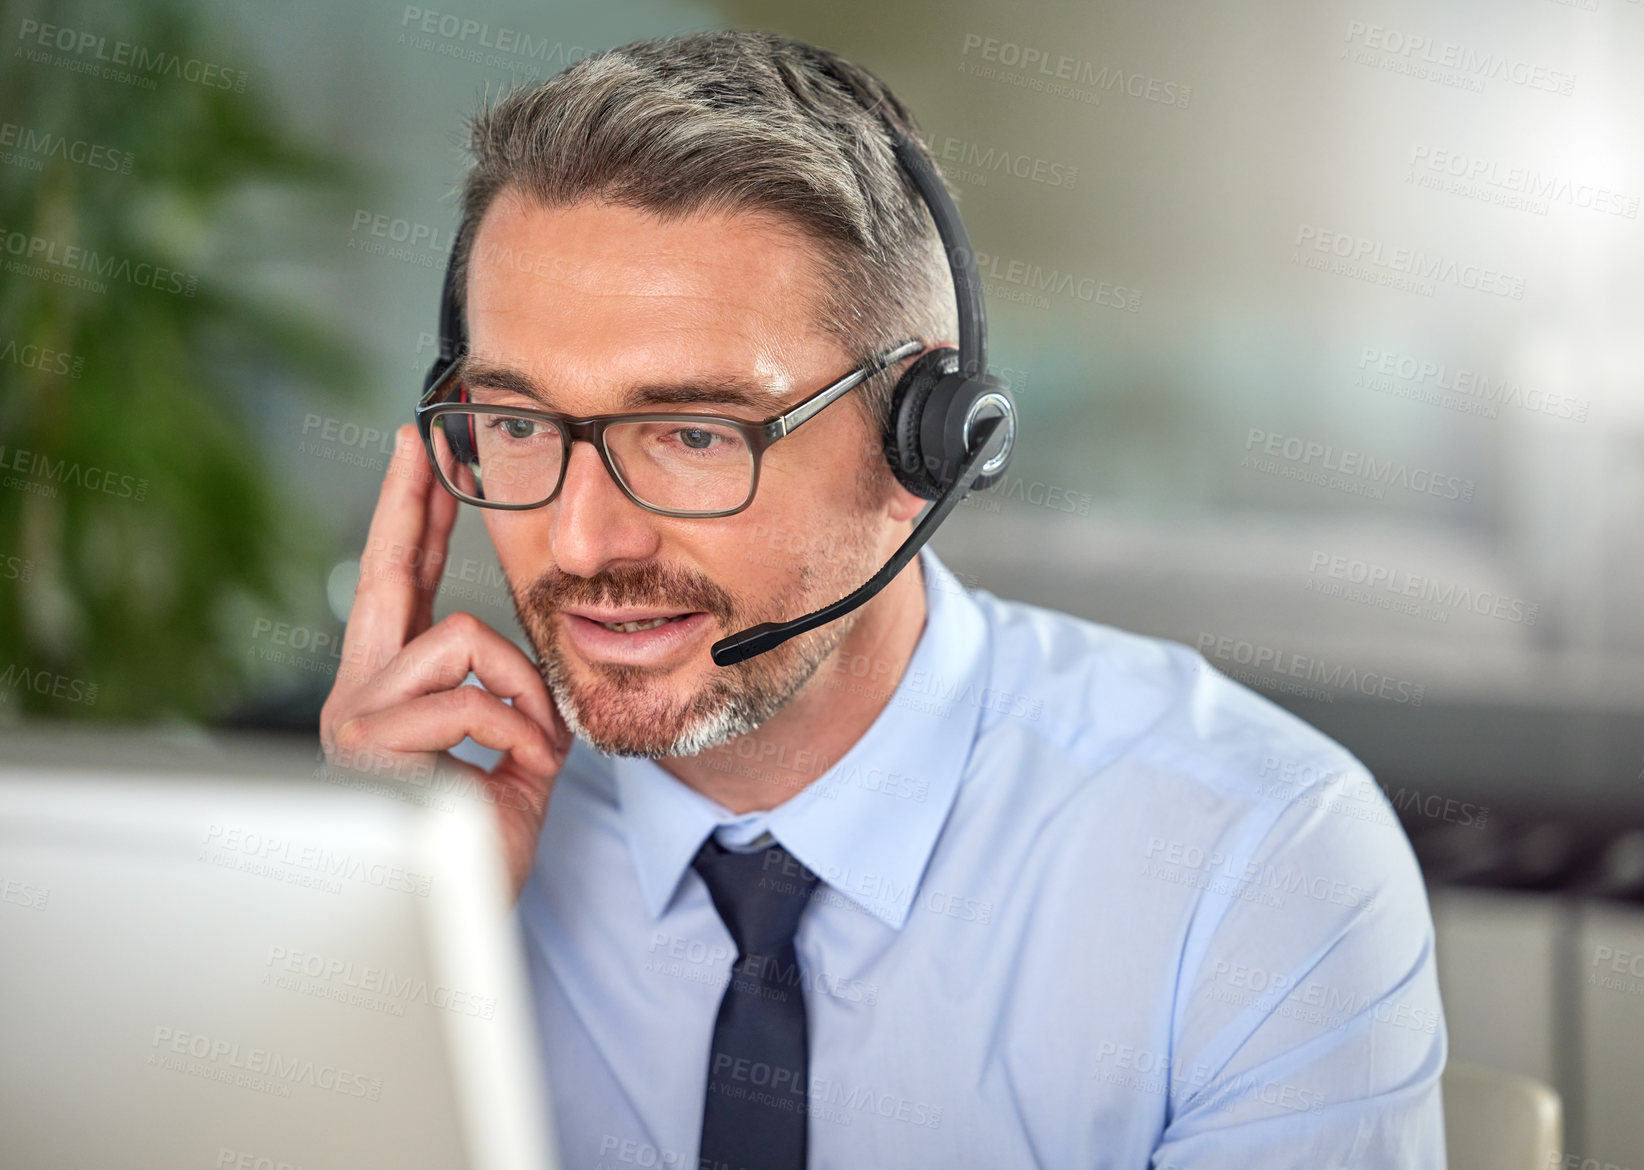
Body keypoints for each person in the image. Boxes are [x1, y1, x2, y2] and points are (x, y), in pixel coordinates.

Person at [320, 29, 1447, 1170]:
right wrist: (369, 936)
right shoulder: (440, 828)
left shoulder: (1250, 862)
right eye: (517, 425)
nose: (580, 539)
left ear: (929, 448)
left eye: (695, 436)